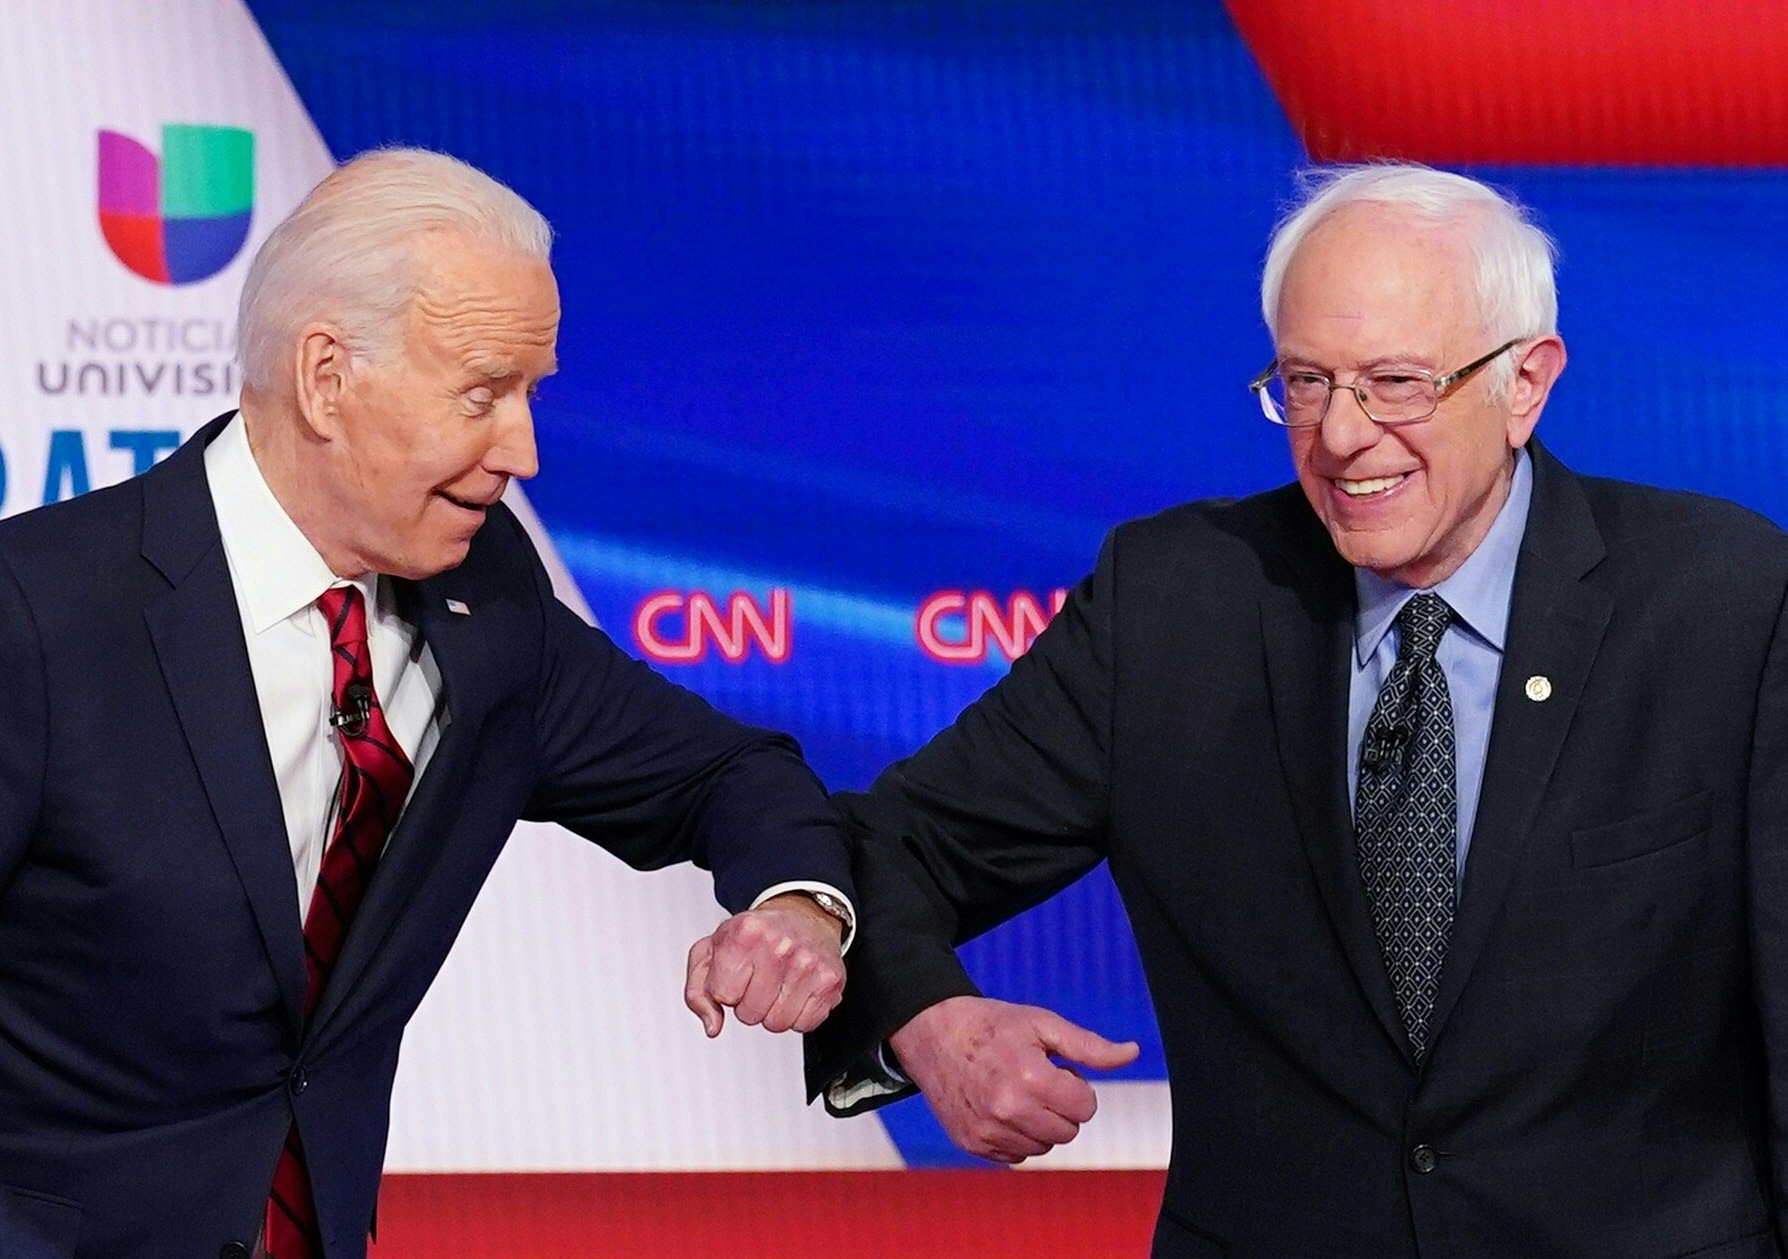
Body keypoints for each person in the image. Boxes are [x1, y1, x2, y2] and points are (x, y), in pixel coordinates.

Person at [809, 164, 1788, 1257]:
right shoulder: (1176, 602)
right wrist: (929, 1022)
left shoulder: (1725, 601)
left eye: (1398, 381)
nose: (1341, 435)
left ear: (1527, 381)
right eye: (1307, 382)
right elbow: (889, 845)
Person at [0, 149, 857, 1259]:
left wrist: (796, 907)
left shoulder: (485, 598)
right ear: (326, 379)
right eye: (482, 391)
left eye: (530, 392)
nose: (524, 450)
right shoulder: (39, 614)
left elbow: (724, 771)